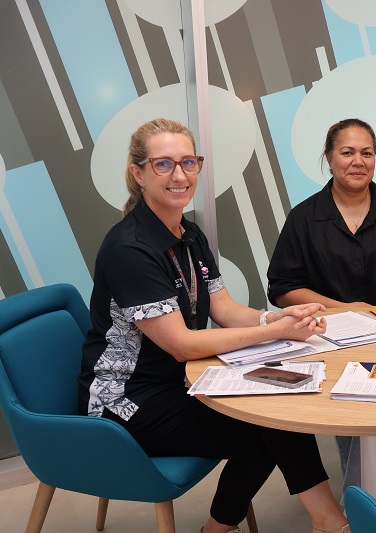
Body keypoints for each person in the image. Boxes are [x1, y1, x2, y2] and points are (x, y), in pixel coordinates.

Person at [78, 118, 349, 533]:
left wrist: (275, 317)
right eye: (164, 164)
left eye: (189, 162)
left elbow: (223, 308)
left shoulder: (188, 232)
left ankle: (244, 527)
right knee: (268, 427)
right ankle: (326, 521)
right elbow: (182, 345)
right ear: (139, 173)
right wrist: (276, 332)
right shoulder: (129, 248)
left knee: (274, 413)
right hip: (128, 401)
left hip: (178, 380)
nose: (180, 175)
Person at [267, 118, 376, 495]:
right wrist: (345, 309)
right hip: (327, 335)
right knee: (352, 402)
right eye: (347, 152)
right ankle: (365, 495)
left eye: (367, 152)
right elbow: (282, 288)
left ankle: (370, 481)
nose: (357, 161)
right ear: (329, 159)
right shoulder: (304, 218)